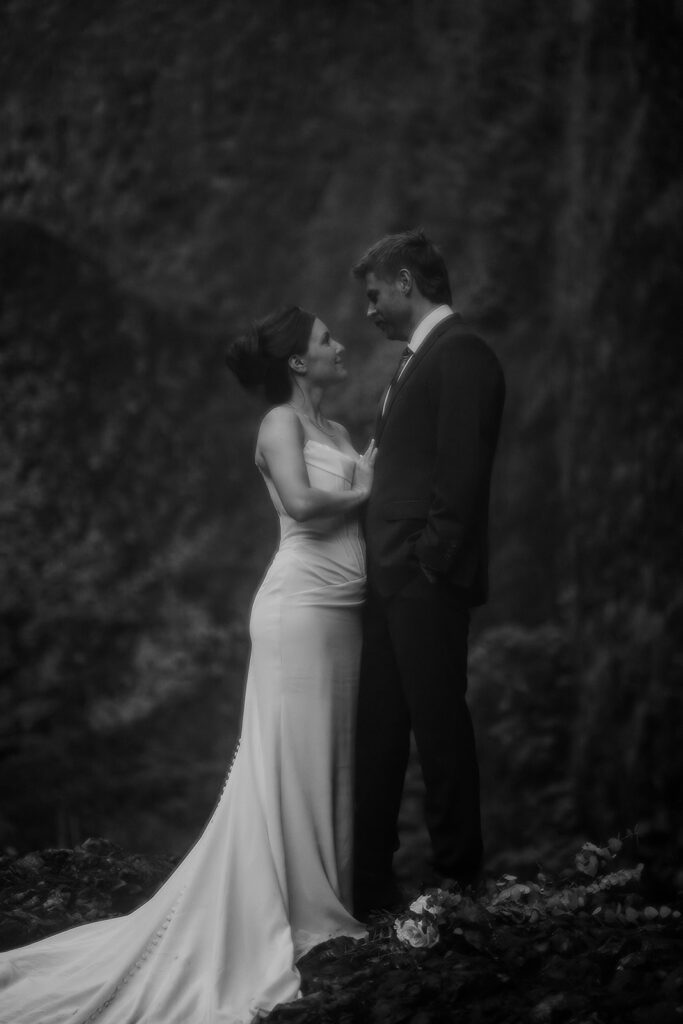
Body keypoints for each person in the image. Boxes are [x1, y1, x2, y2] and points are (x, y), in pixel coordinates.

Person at [0, 305, 375, 1024]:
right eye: (325, 338)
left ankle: (324, 902)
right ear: (297, 362)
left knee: (328, 759)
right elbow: (301, 502)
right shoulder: (279, 424)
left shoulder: (335, 429)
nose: (338, 345)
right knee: (289, 759)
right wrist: (370, 488)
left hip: (342, 616)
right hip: (298, 610)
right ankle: (301, 917)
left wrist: (368, 471)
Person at [351, 230, 506, 919]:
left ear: (407, 282)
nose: (368, 310)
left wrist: (428, 563)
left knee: (438, 727)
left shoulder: (461, 353)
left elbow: (461, 473)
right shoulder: (416, 362)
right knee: (379, 729)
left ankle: (456, 880)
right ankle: (369, 886)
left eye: (374, 293)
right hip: (388, 584)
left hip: (421, 580)